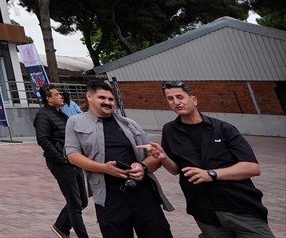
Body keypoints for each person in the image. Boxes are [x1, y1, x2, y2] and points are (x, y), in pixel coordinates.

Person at [139, 81, 273, 238]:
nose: (176, 102)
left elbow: (252, 168)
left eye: (180, 96)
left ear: (194, 100)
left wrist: (211, 174)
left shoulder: (223, 129)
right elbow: (176, 170)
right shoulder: (170, 130)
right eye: (170, 98)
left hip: (239, 206)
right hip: (204, 211)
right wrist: (164, 157)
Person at [65, 80, 173, 238]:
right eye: (102, 98)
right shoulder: (75, 122)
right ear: (89, 97)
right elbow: (72, 155)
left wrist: (142, 167)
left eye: (110, 99)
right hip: (109, 195)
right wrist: (104, 168)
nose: (107, 102)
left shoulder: (130, 124)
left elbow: (155, 157)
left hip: (142, 192)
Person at [34, 84, 89, 238]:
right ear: (49, 99)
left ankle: (61, 227)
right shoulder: (43, 115)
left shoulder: (61, 114)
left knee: (82, 201)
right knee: (74, 203)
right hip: (61, 163)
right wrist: (61, 159)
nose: (61, 96)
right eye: (57, 94)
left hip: (73, 160)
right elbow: (43, 140)